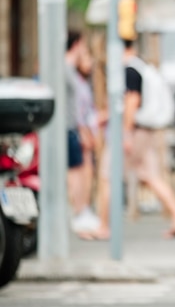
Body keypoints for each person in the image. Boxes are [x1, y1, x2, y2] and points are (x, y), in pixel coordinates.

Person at [81, 39, 175, 240]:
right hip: (144, 130)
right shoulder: (142, 67)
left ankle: (104, 226)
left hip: (134, 131)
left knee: (107, 176)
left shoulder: (130, 70)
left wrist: (126, 134)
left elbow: (132, 103)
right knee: (150, 175)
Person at [65, 30, 100, 233]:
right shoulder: (66, 69)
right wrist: (83, 129)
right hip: (71, 128)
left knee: (80, 170)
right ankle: (78, 213)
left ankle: (81, 211)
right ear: (76, 44)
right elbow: (75, 107)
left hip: (75, 128)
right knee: (76, 173)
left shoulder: (72, 71)